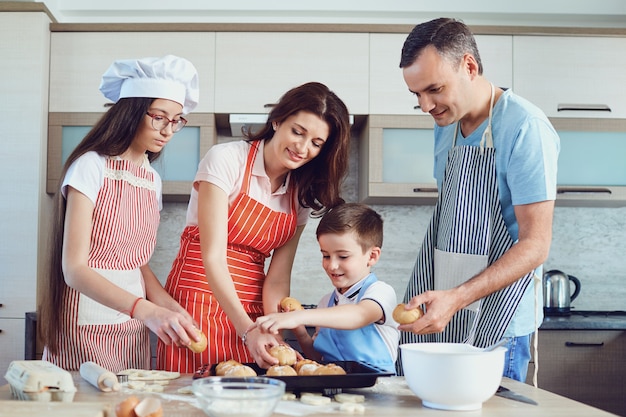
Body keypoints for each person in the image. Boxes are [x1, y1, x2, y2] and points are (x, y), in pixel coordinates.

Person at [396, 18, 560, 382]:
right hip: (451, 311)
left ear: (469, 66)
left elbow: (536, 245)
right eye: (416, 95)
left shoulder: (524, 126)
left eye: (434, 89)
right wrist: (450, 299)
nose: (425, 106)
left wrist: (458, 297)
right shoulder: (447, 127)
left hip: (501, 317)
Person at [157, 81, 351, 372]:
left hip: (255, 308)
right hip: (199, 300)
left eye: (316, 143)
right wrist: (246, 329)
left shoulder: (299, 194)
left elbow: (277, 277)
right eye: (297, 132)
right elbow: (213, 256)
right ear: (277, 120)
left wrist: (271, 329)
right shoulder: (226, 160)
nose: (302, 147)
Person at [39, 55, 202, 372]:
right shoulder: (91, 166)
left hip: (131, 327)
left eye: (176, 120)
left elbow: (136, 264)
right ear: (131, 111)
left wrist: (168, 307)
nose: (168, 130)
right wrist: (145, 310)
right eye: (159, 117)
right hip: (86, 322)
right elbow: (74, 268)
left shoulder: (151, 178)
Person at [254, 203, 400, 374]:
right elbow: (319, 359)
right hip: (336, 390)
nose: (332, 265)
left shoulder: (381, 292)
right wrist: (300, 331)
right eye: (326, 255)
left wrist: (298, 316)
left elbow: (359, 315)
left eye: (343, 256)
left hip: (377, 391)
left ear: (372, 256)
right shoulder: (326, 303)